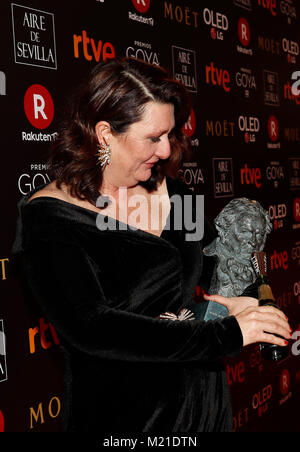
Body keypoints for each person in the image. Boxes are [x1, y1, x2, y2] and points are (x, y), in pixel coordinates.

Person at [12, 57, 291, 433]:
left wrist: (242, 295)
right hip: (126, 419)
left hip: (203, 407)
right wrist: (227, 333)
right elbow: (92, 328)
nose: (164, 151)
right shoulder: (50, 217)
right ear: (105, 134)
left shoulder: (177, 194)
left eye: (169, 135)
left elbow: (213, 266)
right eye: (153, 138)